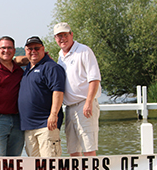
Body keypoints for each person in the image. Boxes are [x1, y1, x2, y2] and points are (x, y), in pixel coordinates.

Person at [53, 22, 102, 157]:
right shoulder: (60, 56)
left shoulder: (84, 51)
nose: (62, 38)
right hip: (69, 108)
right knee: (73, 149)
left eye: (65, 34)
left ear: (71, 34)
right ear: (55, 39)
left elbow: (94, 79)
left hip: (84, 104)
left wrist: (88, 102)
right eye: (59, 36)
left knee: (88, 147)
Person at [17, 36, 66, 157]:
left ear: (43, 49)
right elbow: (15, 60)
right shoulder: (28, 68)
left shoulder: (51, 67)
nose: (33, 51)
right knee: (35, 168)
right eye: (30, 49)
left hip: (46, 125)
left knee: (49, 166)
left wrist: (53, 115)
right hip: (29, 127)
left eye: (37, 48)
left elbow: (58, 91)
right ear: (25, 51)